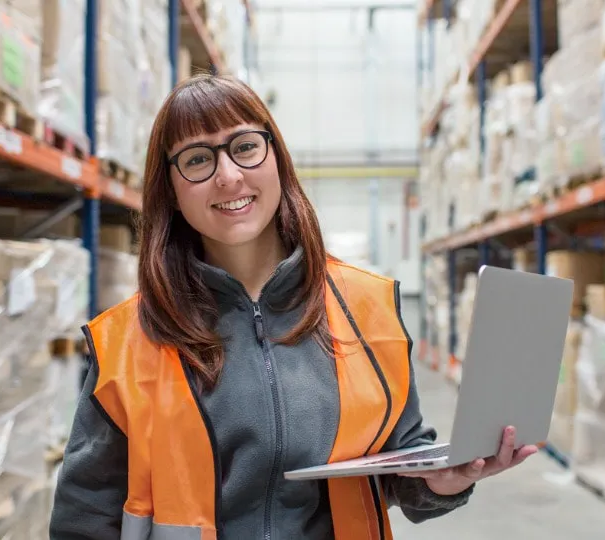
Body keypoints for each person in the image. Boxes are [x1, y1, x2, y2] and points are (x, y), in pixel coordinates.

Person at [49, 74, 538, 540]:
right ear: (172, 191)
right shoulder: (129, 341)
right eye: (197, 160)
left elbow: (398, 460)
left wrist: (443, 480)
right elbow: (85, 517)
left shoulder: (367, 307)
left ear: (276, 159)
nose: (228, 175)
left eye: (244, 147)